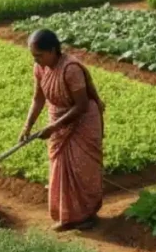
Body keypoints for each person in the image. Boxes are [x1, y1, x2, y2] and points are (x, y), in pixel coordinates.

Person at [20, 29, 105, 232]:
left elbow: (81, 105)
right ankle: (67, 217)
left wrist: (53, 127)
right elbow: (38, 99)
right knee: (60, 168)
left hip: (83, 122)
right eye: (34, 56)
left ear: (52, 50)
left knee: (81, 169)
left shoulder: (70, 69)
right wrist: (27, 126)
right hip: (59, 119)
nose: (36, 60)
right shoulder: (40, 68)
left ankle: (85, 216)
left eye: (39, 55)